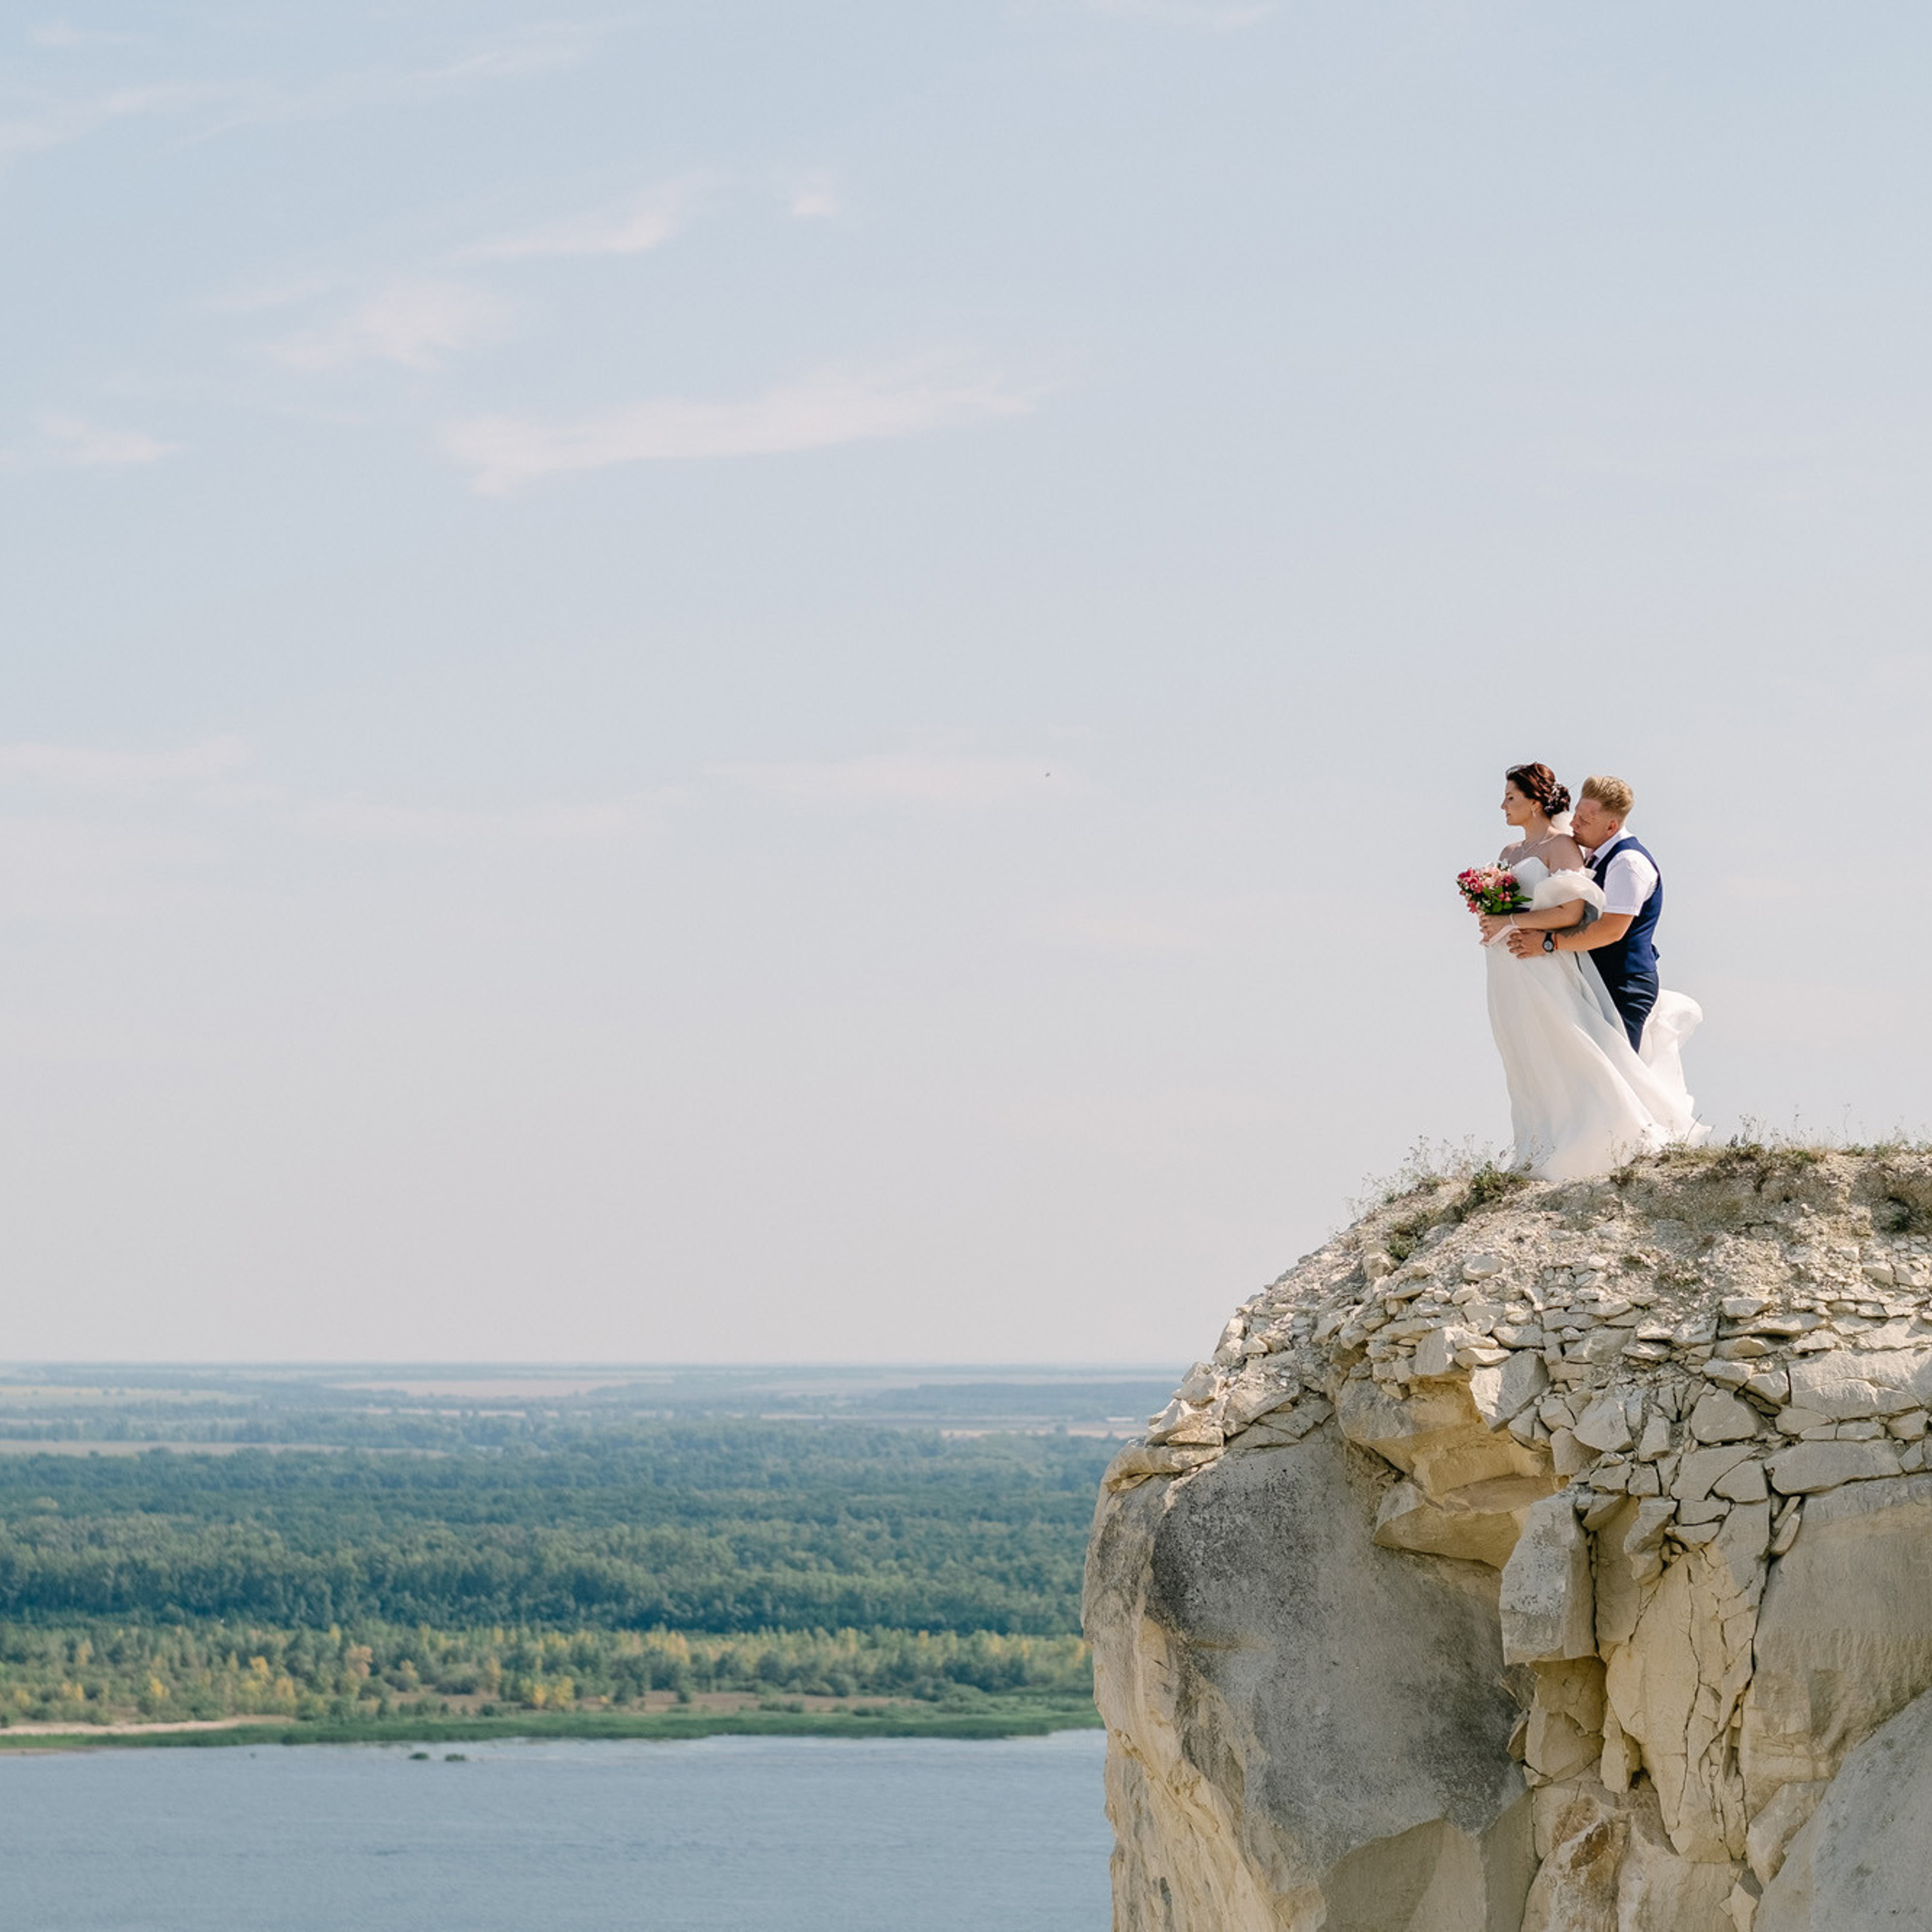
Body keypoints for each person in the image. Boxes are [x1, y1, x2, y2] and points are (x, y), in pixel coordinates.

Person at [1472, 765, 1705, 1179]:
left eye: (1585, 818)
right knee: (1566, 1064)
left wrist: (1540, 939)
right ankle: (1571, 1151)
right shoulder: (1584, 854)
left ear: (1611, 823)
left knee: (1614, 1069)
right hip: (1566, 970)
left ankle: (1640, 1157)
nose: (1574, 823)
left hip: (1624, 980)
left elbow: (1609, 928)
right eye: (1576, 813)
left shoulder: (1628, 863)